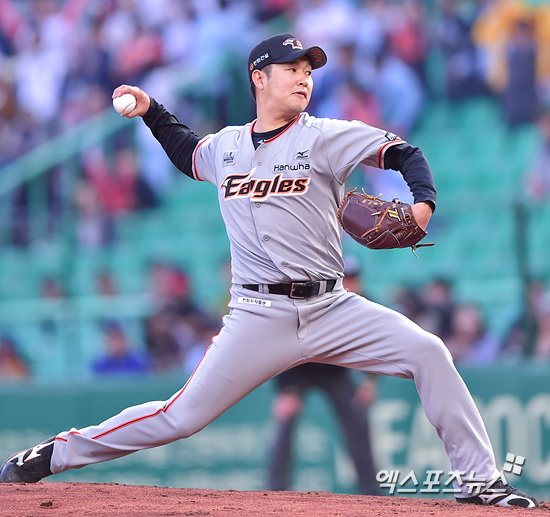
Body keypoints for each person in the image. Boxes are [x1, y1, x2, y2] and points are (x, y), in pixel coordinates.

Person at [0, 33, 538, 509]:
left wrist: (422, 205)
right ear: (259, 77)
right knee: (180, 417)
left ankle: (479, 482)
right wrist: (151, 110)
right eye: (292, 69)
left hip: (332, 306)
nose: (304, 78)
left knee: (429, 352)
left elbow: (406, 154)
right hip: (258, 313)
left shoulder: (325, 135)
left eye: (309, 71)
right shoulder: (227, 146)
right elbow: (187, 153)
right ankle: (56, 453)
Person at [266, 259, 380, 495]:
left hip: (335, 372)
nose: (349, 284)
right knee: (285, 421)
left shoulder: (363, 305)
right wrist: (286, 390)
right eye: (344, 278)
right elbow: (279, 337)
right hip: (298, 368)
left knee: (358, 422)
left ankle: (372, 493)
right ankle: (275, 492)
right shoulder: (312, 297)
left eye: (353, 278)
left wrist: (370, 381)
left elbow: (379, 342)